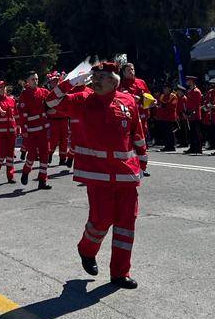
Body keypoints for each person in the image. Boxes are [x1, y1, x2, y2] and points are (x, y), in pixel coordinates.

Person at [45, 61, 147, 288]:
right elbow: (51, 102)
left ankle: (120, 273)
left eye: (102, 76)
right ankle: (86, 249)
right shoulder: (82, 101)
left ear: (114, 81)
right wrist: (71, 82)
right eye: (95, 76)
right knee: (101, 221)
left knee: (126, 224)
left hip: (126, 175)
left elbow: (136, 131)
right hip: (98, 175)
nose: (96, 80)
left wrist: (142, 158)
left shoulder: (128, 101)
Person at [18, 72, 52, 189]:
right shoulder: (25, 94)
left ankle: (42, 181)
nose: (35, 81)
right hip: (31, 131)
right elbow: (23, 115)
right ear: (28, 81)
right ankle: (26, 171)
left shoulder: (43, 91)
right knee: (32, 155)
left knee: (45, 156)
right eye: (33, 79)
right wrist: (25, 130)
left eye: (36, 79)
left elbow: (53, 98)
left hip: (43, 130)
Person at [0, 80, 18, 183]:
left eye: (4, 87)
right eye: (0, 87)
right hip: (0, 133)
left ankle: (10, 176)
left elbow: (16, 115)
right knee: (1, 154)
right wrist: (1, 110)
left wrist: (18, 127)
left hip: (11, 132)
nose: (3, 89)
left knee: (10, 155)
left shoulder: (11, 100)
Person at [153, 80, 177, 151]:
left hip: (169, 117)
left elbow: (172, 105)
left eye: (166, 88)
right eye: (164, 88)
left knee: (169, 132)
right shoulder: (162, 95)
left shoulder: (173, 96)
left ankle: (171, 146)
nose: (164, 90)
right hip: (162, 117)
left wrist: (162, 106)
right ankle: (167, 145)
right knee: (164, 132)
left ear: (169, 89)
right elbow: (158, 102)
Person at [181, 76, 203, 155]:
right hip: (190, 115)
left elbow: (196, 104)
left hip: (195, 115)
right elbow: (188, 103)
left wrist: (190, 112)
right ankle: (193, 147)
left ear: (192, 82)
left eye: (188, 81)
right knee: (191, 132)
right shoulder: (190, 91)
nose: (187, 82)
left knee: (196, 132)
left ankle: (198, 148)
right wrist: (185, 111)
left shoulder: (196, 91)